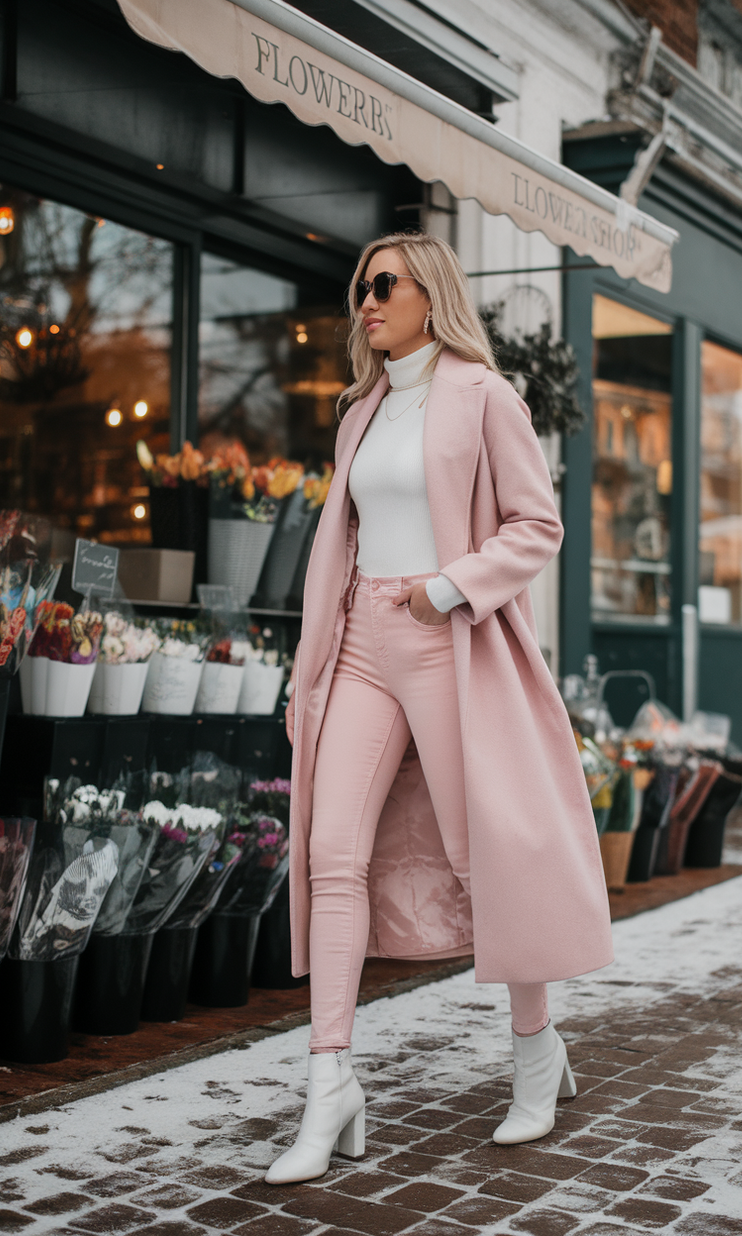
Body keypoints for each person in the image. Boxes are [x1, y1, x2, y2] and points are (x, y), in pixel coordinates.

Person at [265, 232, 613, 1186]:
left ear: (432, 295)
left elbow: (536, 523)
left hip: (445, 636)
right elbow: (343, 545)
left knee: (481, 853)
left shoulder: (484, 394)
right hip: (361, 648)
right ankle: (330, 1081)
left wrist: (451, 588)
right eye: (360, 289)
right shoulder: (360, 412)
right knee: (332, 853)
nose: (366, 302)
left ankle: (536, 1048)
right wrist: (315, 667)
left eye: (386, 285)